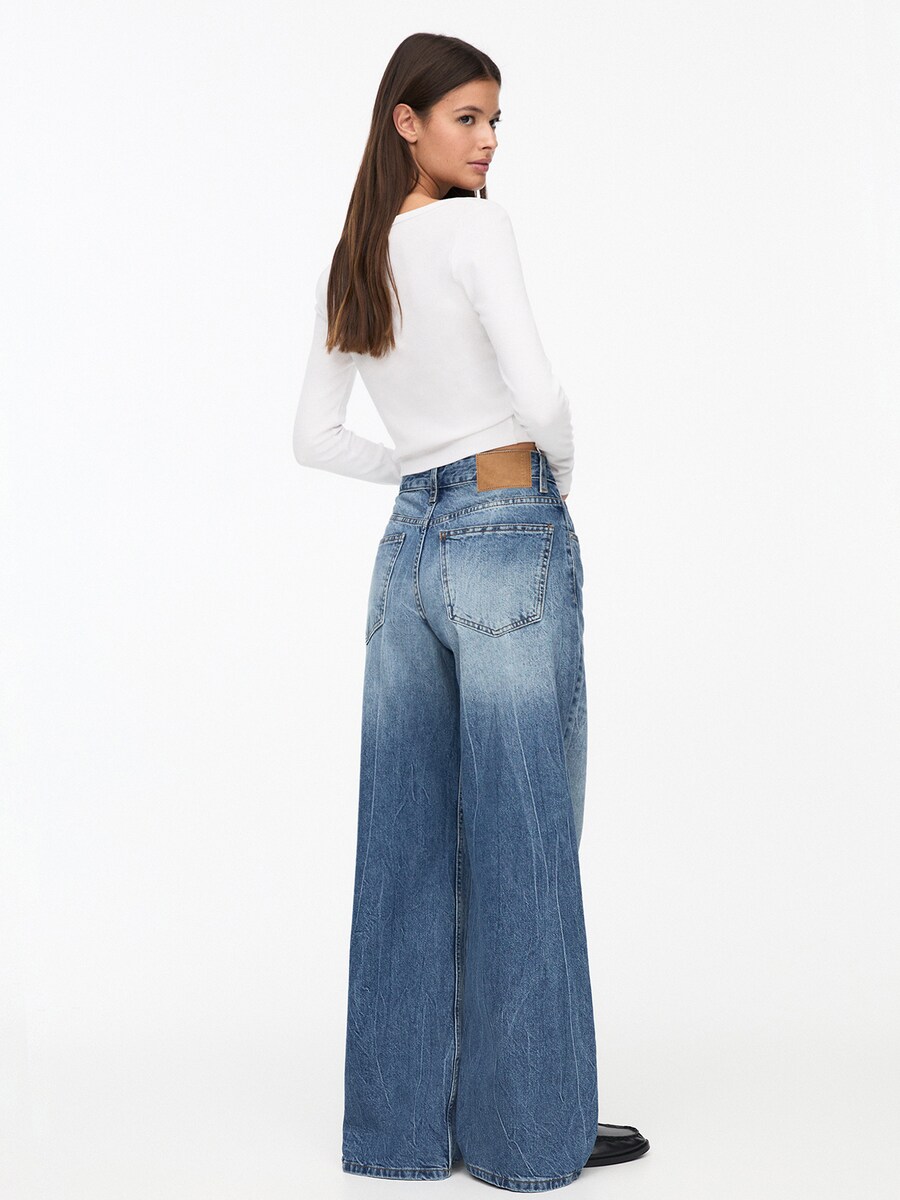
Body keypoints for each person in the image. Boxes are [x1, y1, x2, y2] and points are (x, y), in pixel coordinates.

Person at [293, 32, 649, 1193]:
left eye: (496, 121)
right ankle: (529, 1135)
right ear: (407, 121)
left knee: (404, 840)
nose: (489, 141)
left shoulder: (358, 254)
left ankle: (402, 1135)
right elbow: (538, 389)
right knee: (524, 832)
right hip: (508, 525)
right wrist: (552, 476)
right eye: (468, 117)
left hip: (406, 549)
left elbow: (314, 437)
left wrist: (421, 478)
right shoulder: (474, 230)